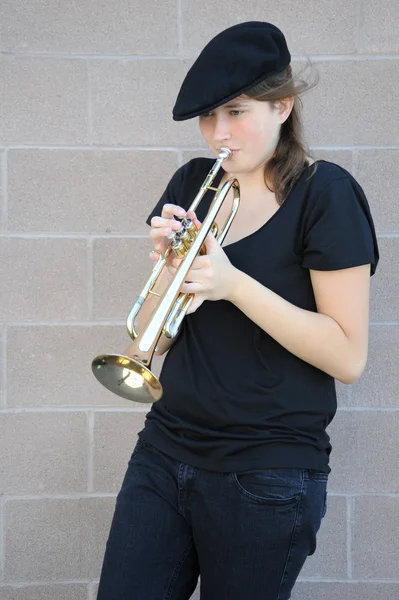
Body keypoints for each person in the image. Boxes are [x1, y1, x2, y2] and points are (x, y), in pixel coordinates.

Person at [96, 21, 379, 600]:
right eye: (208, 117)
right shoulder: (192, 181)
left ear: (284, 105)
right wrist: (169, 272)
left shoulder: (325, 194)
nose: (218, 133)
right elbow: (146, 344)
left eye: (236, 110)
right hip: (165, 449)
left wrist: (234, 283)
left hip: (267, 473)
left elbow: (348, 356)